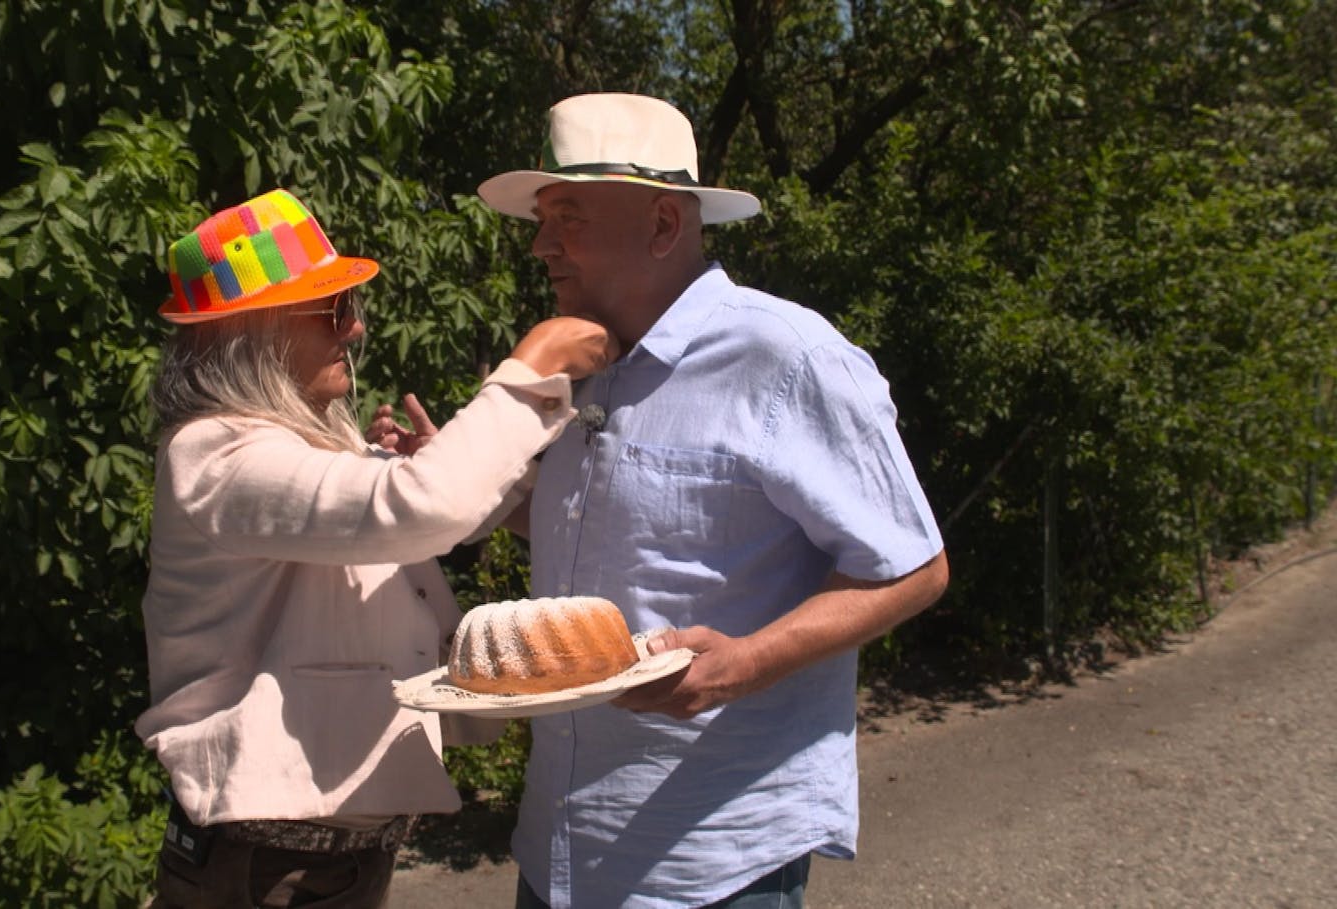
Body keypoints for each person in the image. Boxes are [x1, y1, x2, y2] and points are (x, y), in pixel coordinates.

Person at [476, 93, 951, 908]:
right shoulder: (579, 364)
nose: (539, 243)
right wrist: (452, 484)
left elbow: (912, 565)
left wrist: (742, 665)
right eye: (543, 217)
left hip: (712, 860)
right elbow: (596, 525)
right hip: (558, 848)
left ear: (664, 224)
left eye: (569, 216)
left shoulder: (786, 356)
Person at [135, 187, 615, 908]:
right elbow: (428, 512)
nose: (354, 329)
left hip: (306, 863)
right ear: (248, 330)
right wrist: (529, 372)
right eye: (331, 309)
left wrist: (420, 469)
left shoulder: (277, 443)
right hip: (271, 870)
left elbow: (421, 522)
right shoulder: (214, 454)